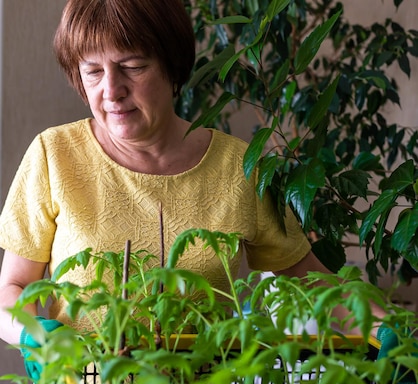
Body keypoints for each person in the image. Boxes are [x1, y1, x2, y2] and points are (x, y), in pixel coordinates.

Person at [0, 0, 328, 350]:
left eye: (132, 66)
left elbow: (309, 282)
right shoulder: (55, 155)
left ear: (172, 66)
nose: (111, 91)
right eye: (93, 71)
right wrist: (31, 334)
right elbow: (14, 287)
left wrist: (385, 325)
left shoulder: (239, 166)